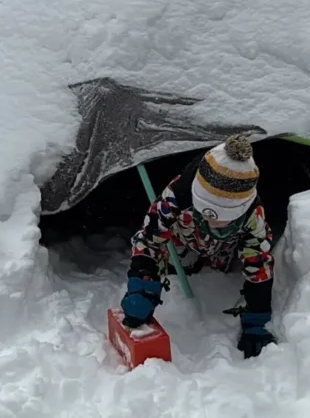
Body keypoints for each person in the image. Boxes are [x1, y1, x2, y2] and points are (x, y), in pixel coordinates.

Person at [119, 134, 277, 359]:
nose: (214, 220)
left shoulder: (253, 215)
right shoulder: (175, 197)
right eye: (208, 213)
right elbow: (148, 240)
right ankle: (185, 260)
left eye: (223, 217)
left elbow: (258, 264)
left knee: (221, 265)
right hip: (184, 235)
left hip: (226, 245)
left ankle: (214, 263)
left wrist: (256, 321)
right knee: (179, 261)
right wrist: (141, 286)